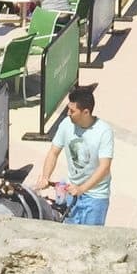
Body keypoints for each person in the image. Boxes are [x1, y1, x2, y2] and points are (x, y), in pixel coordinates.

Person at [34, 85, 114, 225]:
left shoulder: (104, 131)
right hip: (72, 192)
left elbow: (104, 167)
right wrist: (46, 177)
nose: (68, 114)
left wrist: (82, 189)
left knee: (90, 241)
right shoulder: (66, 124)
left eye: (72, 111)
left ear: (86, 112)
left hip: (95, 197)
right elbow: (53, 152)